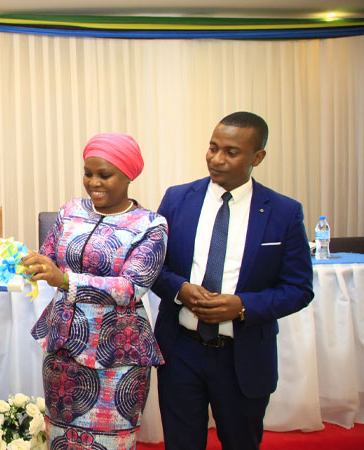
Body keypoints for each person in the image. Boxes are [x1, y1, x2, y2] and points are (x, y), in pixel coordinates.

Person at [151, 112, 314, 450]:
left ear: (257, 157)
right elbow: (152, 267)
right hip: (180, 349)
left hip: (244, 356)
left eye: (230, 151)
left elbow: (299, 288)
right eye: (213, 148)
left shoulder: (284, 212)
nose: (217, 159)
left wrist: (242, 306)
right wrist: (180, 289)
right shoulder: (177, 199)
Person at [24, 133, 168, 450]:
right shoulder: (70, 211)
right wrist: (19, 262)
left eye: (105, 174)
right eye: (88, 173)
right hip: (63, 348)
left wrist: (64, 281)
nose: (93, 182)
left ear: (129, 175)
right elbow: (46, 256)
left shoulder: (150, 225)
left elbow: (132, 288)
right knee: (60, 439)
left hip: (118, 354)